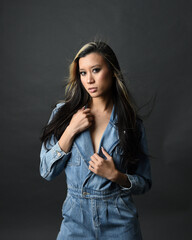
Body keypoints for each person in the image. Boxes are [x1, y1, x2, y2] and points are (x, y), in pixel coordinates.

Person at [40, 41, 152, 240]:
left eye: (96, 70)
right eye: (83, 73)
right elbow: (46, 171)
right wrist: (71, 130)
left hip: (120, 221)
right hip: (75, 220)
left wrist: (116, 176)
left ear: (113, 71)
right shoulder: (63, 114)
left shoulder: (131, 123)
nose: (89, 79)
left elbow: (144, 183)